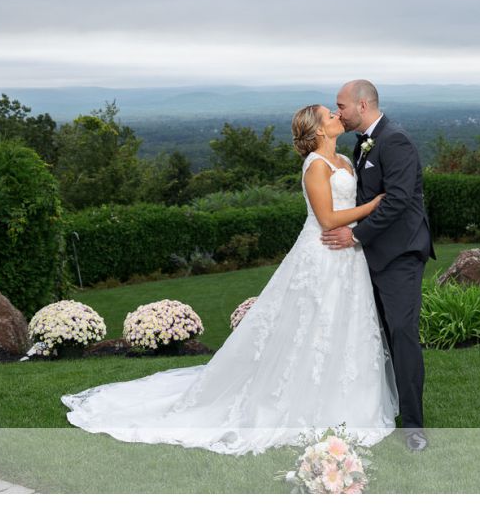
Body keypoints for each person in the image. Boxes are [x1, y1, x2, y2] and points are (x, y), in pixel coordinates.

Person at [61, 104, 399, 456]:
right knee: (312, 328)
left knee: (346, 327)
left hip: (349, 258)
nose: (336, 117)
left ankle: (348, 403)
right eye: (329, 115)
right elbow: (328, 219)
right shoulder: (315, 166)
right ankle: (296, 402)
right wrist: (375, 205)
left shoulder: (344, 160)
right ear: (317, 130)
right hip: (323, 254)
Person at [321, 79, 435, 452]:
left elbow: (399, 199)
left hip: (400, 254)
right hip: (370, 255)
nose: (338, 112)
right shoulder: (362, 142)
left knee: (401, 335)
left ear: (363, 105)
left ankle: (414, 426)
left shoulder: (395, 140)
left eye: (342, 106)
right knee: (375, 334)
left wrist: (355, 236)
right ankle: (375, 407)